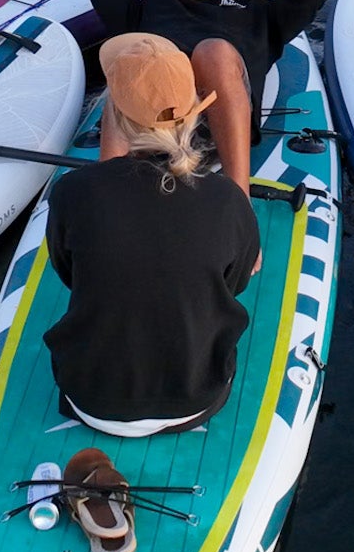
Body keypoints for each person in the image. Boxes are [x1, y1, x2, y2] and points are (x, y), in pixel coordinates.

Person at [42, 34, 262, 437]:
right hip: (195, 400)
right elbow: (235, 283)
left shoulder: (72, 191)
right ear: (196, 114)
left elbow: (69, 271)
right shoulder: (228, 200)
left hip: (88, 398)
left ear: (116, 117)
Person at [78, 0, 327, 192]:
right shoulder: (143, 11)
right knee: (131, 55)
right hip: (148, 126)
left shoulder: (259, 14)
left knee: (213, 52)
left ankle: (238, 195)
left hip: (212, 131)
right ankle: (106, 195)